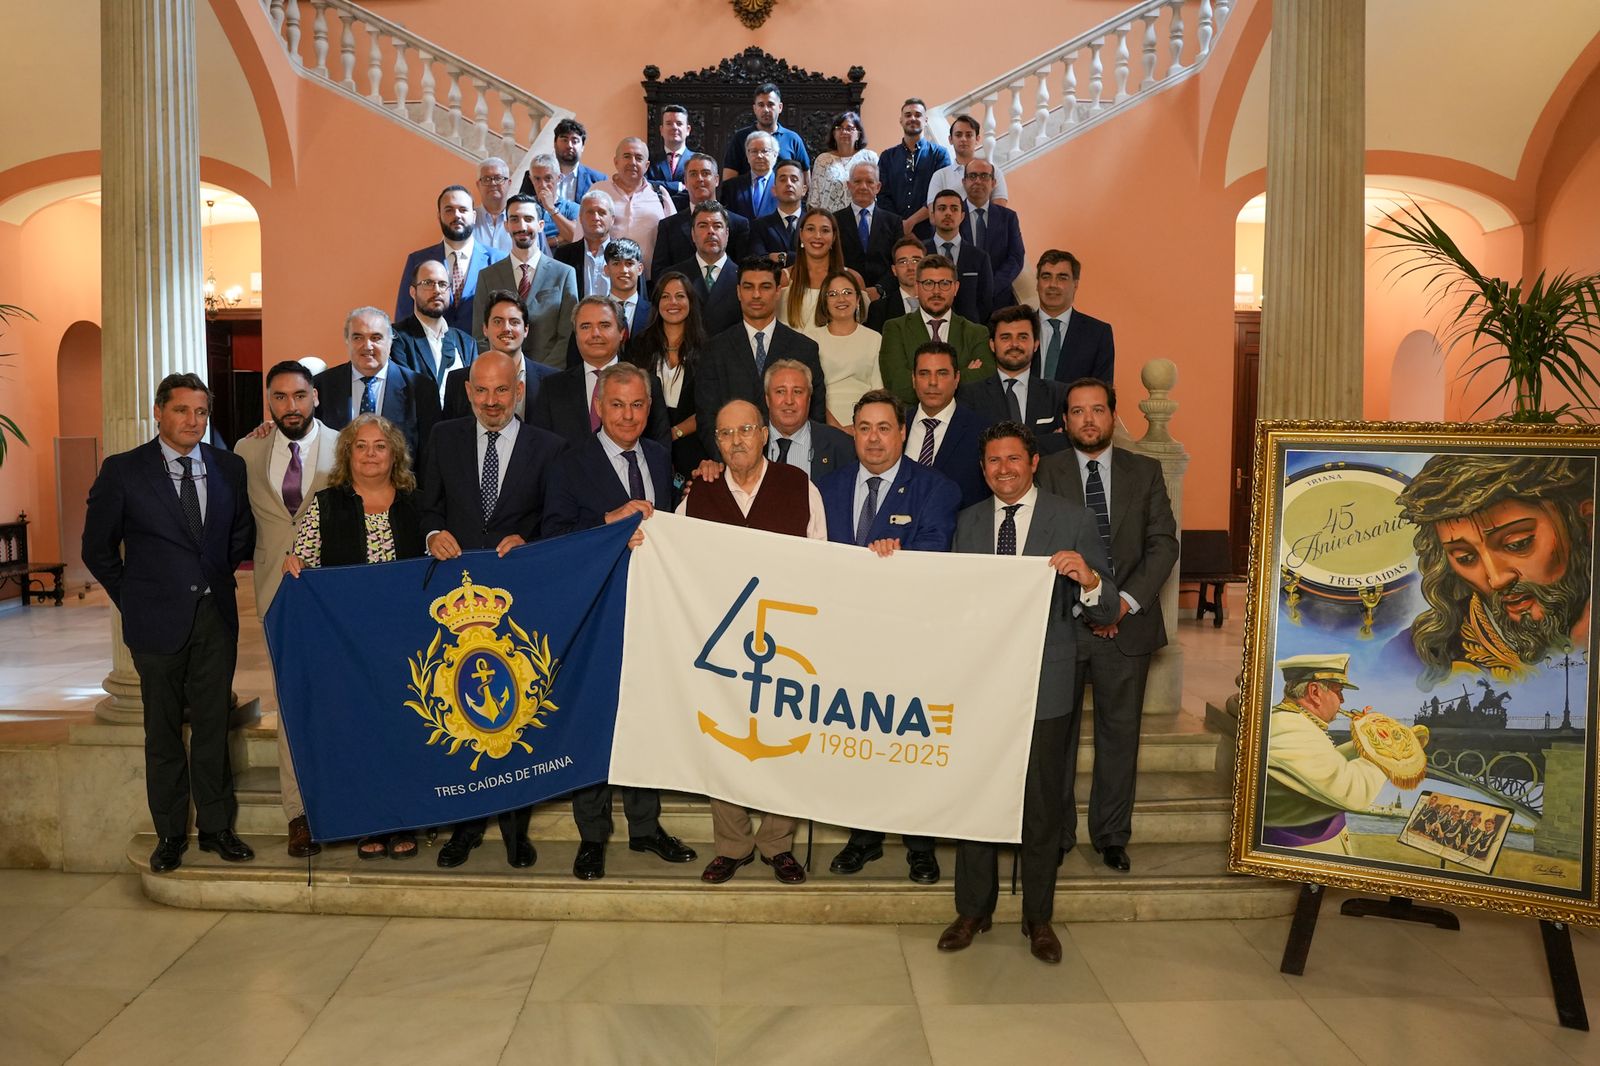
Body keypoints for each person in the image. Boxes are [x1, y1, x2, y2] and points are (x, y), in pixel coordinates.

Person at [940, 421, 1118, 964]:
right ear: (982, 469)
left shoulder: (1073, 519)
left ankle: (1038, 918)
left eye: (1013, 458)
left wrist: (1089, 581)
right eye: (993, 461)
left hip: (1046, 685)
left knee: (1042, 804)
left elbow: (1108, 609)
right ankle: (973, 910)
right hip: (981, 687)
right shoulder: (969, 522)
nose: (1004, 469)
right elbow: (953, 603)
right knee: (976, 800)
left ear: (1033, 462)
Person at [82, 373, 256, 874]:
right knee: (161, 733)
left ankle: (218, 829)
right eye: (181, 410)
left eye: (201, 412)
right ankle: (170, 834)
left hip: (215, 619)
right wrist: (133, 598)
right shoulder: (124, 470)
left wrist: (212, 578)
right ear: (159, 412)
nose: (192, 421)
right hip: (155, 623)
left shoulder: (228, 467)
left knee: (212, 727)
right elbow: (96, 548)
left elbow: (240, 534)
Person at [542, 363, 698, 879]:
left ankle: (646, 828)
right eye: (617, 405)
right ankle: (592, 835)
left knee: (646, 719)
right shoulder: (570, 461)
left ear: (649, 408)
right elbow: (552, 536)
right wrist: (605, 525)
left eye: (637, 405)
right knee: (592, 721)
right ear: (598, 407)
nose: (628, 415)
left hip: (651, 609)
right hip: (595, 609)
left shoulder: (659, 454)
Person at [420, 350, 568, 869]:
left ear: (518, 389)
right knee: (461, 706)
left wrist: (531, 541)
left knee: (516, 713)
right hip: (456, 599)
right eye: (481, 390)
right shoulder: (443, 438)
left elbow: (557, 519)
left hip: (517, 601)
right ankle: (465, 827)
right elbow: (427, 505)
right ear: (467, 392)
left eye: (501, 390)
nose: (491, 401)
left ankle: (515, 829)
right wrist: (433, 533)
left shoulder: (549, 447)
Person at [679, 399, 827, 885]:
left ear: (764, 434)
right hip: (720, 641)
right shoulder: (698, 492)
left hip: (786, 641)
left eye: (745, 430)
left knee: (785, 741)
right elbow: (674, 555)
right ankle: (733, 845)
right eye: (725, 433)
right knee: (722, 742)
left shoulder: (799, 486)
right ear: (716, 443)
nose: (736, 440)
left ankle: (777, 844)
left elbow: (821, 561)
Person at [817, 388, 960, 883]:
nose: (873, 439)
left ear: (902, 433)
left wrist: (895, 558)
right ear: (852, 434)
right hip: (846, 640)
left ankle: (921, 845)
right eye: (864, 428)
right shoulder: (826, 488)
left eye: (884, 428)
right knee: (858, 742)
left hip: (908, 640)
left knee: (909, 743)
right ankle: (864, 838)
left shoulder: (936, 488)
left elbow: (934, 549)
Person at [1037, 377, 1179, 872]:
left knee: (1119, 738)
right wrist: (1089, 605)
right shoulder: (1046, 471)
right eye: (1078, 411)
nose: (1088, 419)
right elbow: (1040, 546)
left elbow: (1163, 543)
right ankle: (1055, 834)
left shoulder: (1145, 471)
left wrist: (1122, 605)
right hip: (1064, 625)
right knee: (1058, 738)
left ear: (1113, 417)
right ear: (1065, 421)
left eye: (1097, 410)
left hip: (1128, 627)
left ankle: (1112, 835)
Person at [282, 414, 427, 860]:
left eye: (379, 446)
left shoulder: (416, 504)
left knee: (402, 728)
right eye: (360, 446)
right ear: (347, 454)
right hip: (348, 645)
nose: (370, 454)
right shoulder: (326, 504)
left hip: (403, 642)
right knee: (361, 731)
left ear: (394, 454)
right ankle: (369, 822)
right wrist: (295, 564)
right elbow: (303, 558)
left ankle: (405, 819)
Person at [235, 360, 337, 858]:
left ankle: (346, 802)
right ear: (269, 402)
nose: (290, 406)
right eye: (279, 397)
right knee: (290, 702)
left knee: (339, 699)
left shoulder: (346, 445)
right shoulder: (247, 450)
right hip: (276, 591)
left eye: (298, 395)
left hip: (332, 593)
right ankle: (298, 813)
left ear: (315, 396)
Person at [1392, 455, 1594, 685]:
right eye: (1465, 558)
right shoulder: (1415, 654)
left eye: (1517, 544)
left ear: (1587, 521)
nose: (1497, 579)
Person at [1262, 655, 1398, 856]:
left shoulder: (1295, 721)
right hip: (1305, 852)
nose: (1342, 700)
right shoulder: (1292, 729)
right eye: (1338, 691)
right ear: (1315, 692)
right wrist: (1389, 748)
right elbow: (1354, 793)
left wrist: (1367, 738)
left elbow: (1327, 762)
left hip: (1309, 845)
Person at [694, 257, 826, 452]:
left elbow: (815, 413)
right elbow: (707, 416)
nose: (756, 295)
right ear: (738, 292)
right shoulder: (715, 349)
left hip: (792, 458)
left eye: (765, 287)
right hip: (732, 458)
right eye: (748, 287)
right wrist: (727, 460)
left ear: (778, 291)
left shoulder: (804, 348)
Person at [530, 295, 671, 447]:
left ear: (622, 333)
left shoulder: (647, 384)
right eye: (585, 326)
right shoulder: (552, 387)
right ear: (576, 335)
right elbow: (540, 447)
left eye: (604, 325)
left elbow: (660, 448)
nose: (595, 333)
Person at [313, 306, 441, 464]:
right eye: (358, 337)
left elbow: (430, 456)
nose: (367, 346)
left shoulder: (421, 389)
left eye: (376, 338)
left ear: (390, 341)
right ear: (347, 341)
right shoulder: (321, 386)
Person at [471, 193, 579, 369]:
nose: (522, 226)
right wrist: (502, 370)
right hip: (501, 375)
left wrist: (541, 374)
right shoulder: (487, 276)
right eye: (514, 219)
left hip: (550, 375)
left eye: (528, 219)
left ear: (541, 225)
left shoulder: (564, 274)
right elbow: (480, 335)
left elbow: (567, 336)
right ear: (506, 226)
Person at [878, 254, 993, 404]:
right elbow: (898, 386)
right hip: (913, 416)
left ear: (956, 288)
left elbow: (985, 382)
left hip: (963, 415)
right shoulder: (895, 329)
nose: (936, 291)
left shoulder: (977, 333)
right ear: (917, 287)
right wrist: (961, 376)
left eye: (944, 283)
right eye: (928, 283)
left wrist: (921, 380)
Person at [395, 185, 507, 336]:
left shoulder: (498, 260)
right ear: (439, 216)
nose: (457, 215)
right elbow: (404, 317)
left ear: (474, 216)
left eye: (463, 210)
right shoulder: (418, 260)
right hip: (429, 348)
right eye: (449, 210)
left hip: (481, 349)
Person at [626, 270, 708, 476]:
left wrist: (675, 433)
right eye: (665, 296)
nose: (673, 302)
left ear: (690, 302)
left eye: (680, 296)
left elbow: (711, 406)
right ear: (657, 302)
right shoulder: (639, 345)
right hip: (645, 446)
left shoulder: (708, 349)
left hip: (694, 451)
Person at [958, 304, 1070, 455]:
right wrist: (1045, 441)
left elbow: (1065, 447)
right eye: (1006, 337)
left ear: (1036, 344)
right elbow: (970, 447)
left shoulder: (1059, 395)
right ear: (992, 345)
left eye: (1023, 337)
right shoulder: (969, 395)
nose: (1014, 344)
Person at [442, 290, 559, 421]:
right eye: (498, 321)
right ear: (485, 329)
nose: (506, 328)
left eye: (514, 322)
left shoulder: (553, 381)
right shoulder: (458, 382)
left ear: (526, 330)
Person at [905, 342, 989, 508]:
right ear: (914, 379)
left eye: (942, 374)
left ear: (956, 378)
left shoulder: (982, 432)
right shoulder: (896, 425)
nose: (933, 382)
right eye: (924, 373)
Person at [390, 260, 477, 408]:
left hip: (460, 422)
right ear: (412, 292)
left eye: (442, 284)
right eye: (428, 283)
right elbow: (402, 393)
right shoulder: (396, 338)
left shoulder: (467, 343)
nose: (436, 290)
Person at [651, 153, 752, 279]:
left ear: (716, 180)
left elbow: (745, 272)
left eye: (705, 173)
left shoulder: (739, 224)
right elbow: (659, 273)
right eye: (693, 174)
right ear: (685, 182)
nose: (700, 178)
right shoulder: (669, 226)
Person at [805, 269, 882, 429]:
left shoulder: (874, 338)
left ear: (858, 299)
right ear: (824, 301)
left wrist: (859, 427)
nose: (841, 299)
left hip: (866, 421)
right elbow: (810, 392)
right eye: (833, 294)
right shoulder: (811, 339)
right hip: (821, 421)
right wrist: (836, 428)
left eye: (847, 292)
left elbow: (878, 391)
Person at [589, 138, 676, 276]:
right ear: (616, 161)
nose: (633, 162)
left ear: (647, 165)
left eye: (638, 158)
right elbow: (582, 233)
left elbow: (674, 238)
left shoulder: (660, 194)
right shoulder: (598, 192)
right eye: (627, 156)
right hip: (605, 276)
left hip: (650, 278)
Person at [763, 359, 854, 482]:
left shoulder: (842, 446)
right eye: (780, 391)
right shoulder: (749, 442)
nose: (789, 401)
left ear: (809, 399)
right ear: (767, 399)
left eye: (797, 392)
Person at [663, 201, 743, 336]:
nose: (710, 231)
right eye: (703, 226)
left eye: (717, 226)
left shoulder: (743, 277)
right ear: (693, 234)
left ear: (727, 233)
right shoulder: (671, 276)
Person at [877, 98, 953, 239]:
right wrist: (901, 226)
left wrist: (910, 223)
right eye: (908, 115)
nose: (912, 118)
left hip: (930, 234)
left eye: (918, 115)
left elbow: (941, 194)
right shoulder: (887, 157)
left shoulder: (939, 154)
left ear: (926, 120)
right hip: (894, 234)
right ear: (901, 120)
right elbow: (882, 196)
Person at [1036, 250, 1115, 385]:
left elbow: (1101, 391)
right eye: (1046, 276)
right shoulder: (1018, 328)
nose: (1053, 284)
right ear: (1037, 283)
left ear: (1076, 284)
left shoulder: (1098, 334)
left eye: (1062, 278)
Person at [958, 159, 1024, 307]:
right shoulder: (952, 216)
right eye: (972, 176)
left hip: (999, 300)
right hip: (960, 300)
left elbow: (1016, 257)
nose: (978, 181)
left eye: (984, 176)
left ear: (993, 183)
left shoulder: (1008, 218)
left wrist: (991, 287)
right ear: (964, 182)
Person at [924, 190, 995, 325]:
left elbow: (985, 301)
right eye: (942, 208)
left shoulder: (980, 257)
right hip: (929, 327)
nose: (948, 213)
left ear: (962, 216)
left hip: (969, 329)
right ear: (932, 215)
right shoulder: (921, 254)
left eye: (954, 209)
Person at [779, 206, 853, 330]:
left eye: (825, 230)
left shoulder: (852, 279)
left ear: (834, 236)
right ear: (801, 235)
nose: (817, 236)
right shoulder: (782, 279)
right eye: (810, 229)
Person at [834, 161, 904, 291]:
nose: (863, 187)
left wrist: (880, 289)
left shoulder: (893, 222)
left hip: (885, 295)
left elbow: (898, 262)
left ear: (878, 187)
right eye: (857, 181)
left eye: (870, 182)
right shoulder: (834, 221)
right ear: (849, 185)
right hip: (844, 291)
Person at [721, 82, 811, 180]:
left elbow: (805, 177)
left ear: (780, 107)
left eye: (770, 104)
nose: (766, 110)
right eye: (761, 105)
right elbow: (729, 178)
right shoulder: (741, 137)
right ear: (755, 109)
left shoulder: (793, 139)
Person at [926, 113, 1011, 207]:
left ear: (977, 139)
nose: (963, 139)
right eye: (958, 135)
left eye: (969, 135)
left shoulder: (994, 172)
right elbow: (934, 213)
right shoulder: (940, 176)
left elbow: (1000, 211)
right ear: (950, 139)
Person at [518, 116, 605, 204]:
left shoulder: (597, 180)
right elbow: (521, 207)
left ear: (582, 147)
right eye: (564, 140)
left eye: (575, 141)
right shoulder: (534, 176)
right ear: (555, 144)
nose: (569, 145)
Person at [809, 111, 878, 215]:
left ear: (858, 134)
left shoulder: (870, 158)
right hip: (830, 219)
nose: (844, 132)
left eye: (849, 128)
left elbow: (878, 193)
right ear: (834, 134)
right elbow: (815, 198)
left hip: (861, 219)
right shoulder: (822, 160)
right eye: (839, 128)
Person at [552, 190, 615, 299]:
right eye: (590, 212)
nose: (596, 217)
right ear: (580, 218)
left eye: (602, 212)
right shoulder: (564, 255)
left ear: (612, 219)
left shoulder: (625, 255)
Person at [748, 158, 809, 262]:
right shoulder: (759, 226)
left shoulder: (813, 223)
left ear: (804, 190)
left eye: (794, 179)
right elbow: (758, 260)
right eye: (783, 180)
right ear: (774, 190)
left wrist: (782, 258)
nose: (789, 184)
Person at [865, 237, 925, 332]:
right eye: (903, 262)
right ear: (894, 270)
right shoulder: (879, 309)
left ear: (926, 265)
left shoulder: (941, 303)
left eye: (916, 261)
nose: (910, 267)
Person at [719, 132, 781, 222]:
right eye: (754, 151)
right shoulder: (731, 187)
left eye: (765, 151)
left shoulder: (782, 185)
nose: (759, 156)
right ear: (747, 155)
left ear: (775, 155)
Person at [522, 153, 581, 247]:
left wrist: (551, 209)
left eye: (548, 178)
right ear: (531, 179)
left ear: (559, 178)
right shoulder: (523, 207)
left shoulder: (572, 208)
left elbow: (577, 237)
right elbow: (520, 242)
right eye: (537, 179)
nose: (543, 185)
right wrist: (557, 240)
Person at [472, 156, 516, 255]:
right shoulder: (467, 220)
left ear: (509, 183)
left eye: (498, 178)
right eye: (486, 179)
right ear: (478, 185)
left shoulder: (523, 220)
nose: (492, 183)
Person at [648, 104, 693, 198]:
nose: (674, 127)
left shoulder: (697, 160)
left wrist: (657, 184)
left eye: (679, 123)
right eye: (669, 123)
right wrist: (678, 186)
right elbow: (643, 184)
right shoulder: (649, 160)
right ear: (661, 130)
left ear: (688, 130)